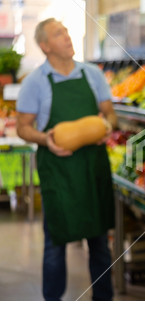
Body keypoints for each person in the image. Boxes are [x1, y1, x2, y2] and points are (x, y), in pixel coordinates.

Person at [16, 18, 117, 301]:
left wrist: (106, 128)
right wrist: (45, 139)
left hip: (92, 166)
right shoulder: (35, 82)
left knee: (99, 241)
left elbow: (110, 115)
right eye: (59, 34)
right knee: (55, 241)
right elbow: (23, 127)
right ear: (45, 46)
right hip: (59, 171)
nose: (67, 37)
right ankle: (52, 303)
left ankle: (104, 302)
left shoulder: (92, 74)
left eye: (67, 32)